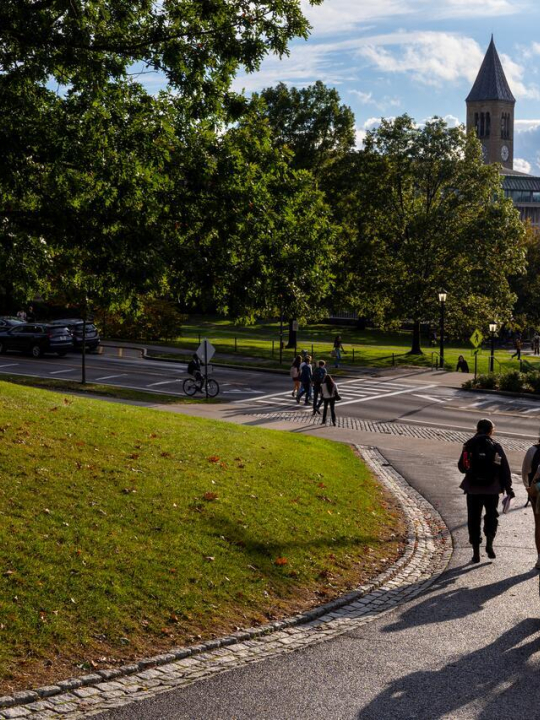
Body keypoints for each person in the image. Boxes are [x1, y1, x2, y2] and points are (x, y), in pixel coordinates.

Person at [458, 418, 514, 563]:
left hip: (473, 489)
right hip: (492, 489)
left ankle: (476, 552)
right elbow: (504, 468)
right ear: (491, 430)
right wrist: (508, 488)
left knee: (474, 519)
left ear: (476, 429)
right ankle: (489, 544)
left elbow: (462, 467)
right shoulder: (495, 445)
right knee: (491, 516)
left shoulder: (469, 444)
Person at [521, 434, 540, 568]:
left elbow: (525, 471)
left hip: (538, 492)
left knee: (539, 525)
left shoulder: (533, 450)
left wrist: (528, 488)